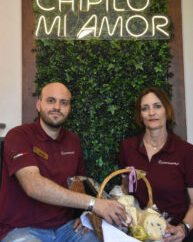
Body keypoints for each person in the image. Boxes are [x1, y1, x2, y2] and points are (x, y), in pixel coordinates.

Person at [0, 82, 126, 242]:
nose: (57, 107)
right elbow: (33, 186)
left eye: (63, 102)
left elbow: (79, 185)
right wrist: (94, 204)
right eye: (51, 100)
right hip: (22, 229)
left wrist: (86, 215)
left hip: (67, 228)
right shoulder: (19, 135)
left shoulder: (73, 140)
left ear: (69, 108)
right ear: (38, 105)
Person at [119, 87, 193, 242]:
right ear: (140, 116)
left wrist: (183, 229)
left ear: (166, 111)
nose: (151, 112)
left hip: (177, 235)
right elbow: (126, 190)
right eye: (145, 108)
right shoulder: (127, 148)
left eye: (157, 106)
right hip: (142, 235)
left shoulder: (186, 151)